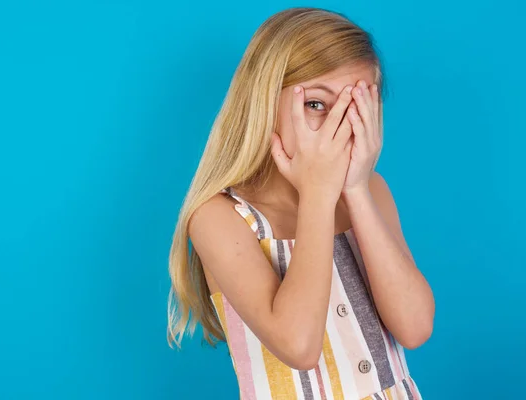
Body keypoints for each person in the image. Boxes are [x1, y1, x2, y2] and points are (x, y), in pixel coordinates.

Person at [168, 7, 435, 400]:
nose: (339, 126)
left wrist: (356, 189)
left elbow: (414, 328)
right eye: (316, 104)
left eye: (355, 108)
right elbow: (298, 346)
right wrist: (317, 196)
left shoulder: (371, 191)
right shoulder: (220, 218)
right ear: (263, 101)